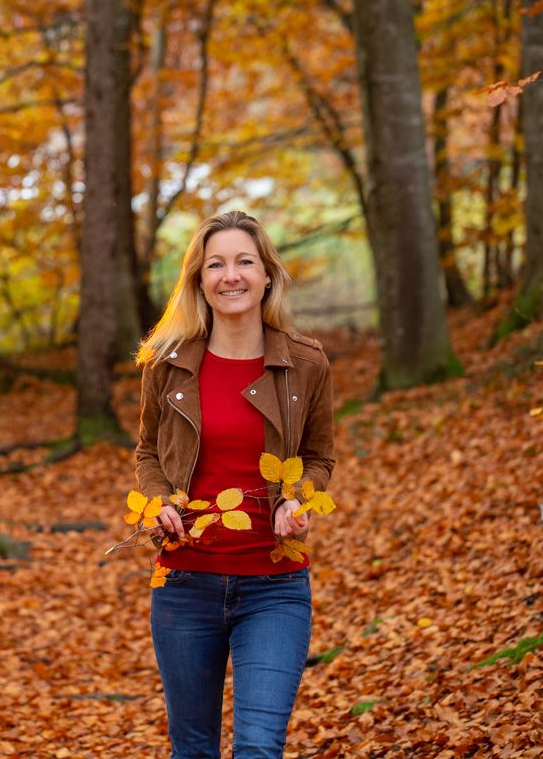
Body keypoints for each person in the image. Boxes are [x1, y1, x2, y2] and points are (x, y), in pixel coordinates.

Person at [134, 210, 335, 758]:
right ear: (199, 279)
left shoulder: (306, 364)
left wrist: (297, 497)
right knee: (194, 749)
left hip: (274, 587)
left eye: (245, 261)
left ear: (267, 274)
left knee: (258, 748)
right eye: (216, 263)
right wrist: (155, 502)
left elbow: (319, 456)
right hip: (184, 586)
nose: (231, 275)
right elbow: (149, 452)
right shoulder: (167, 363)